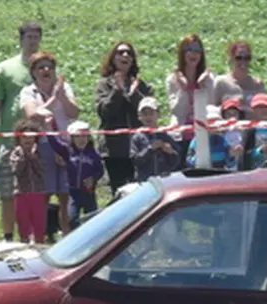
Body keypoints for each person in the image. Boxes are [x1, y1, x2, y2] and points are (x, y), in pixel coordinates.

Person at [0, 20, 42, 241]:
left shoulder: (46, 67)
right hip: (9, 141)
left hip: (38, 142)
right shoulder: (5, 69)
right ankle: (8, 237)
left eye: (36, 37)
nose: (33, 41)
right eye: (28, 37)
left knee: (35, 193)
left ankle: (34, 236)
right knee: (8, 193)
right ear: (20, 40)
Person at [19, 51, 80, 237]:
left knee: (65, 194)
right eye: (41, 67)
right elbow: (33, 116)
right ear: (34, 72)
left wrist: (61, 97)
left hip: (64, 145)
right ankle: (39, 235)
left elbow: (74, 113)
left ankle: (67, 234)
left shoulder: (65, 88)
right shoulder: (28, 91)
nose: (46, 70)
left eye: (49, 67)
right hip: (43, 146)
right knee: (43, 195)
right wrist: (53, 98)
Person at [94, 41, 153, 197]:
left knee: (141, 191)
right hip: (114, 150)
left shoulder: (141, 85)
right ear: (113, 59)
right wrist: (117, 91)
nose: (125, 55)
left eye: (129, 53)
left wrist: (134, 94)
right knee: (119, 192)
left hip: (140, 148)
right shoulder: (103, 85)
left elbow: (149, 111)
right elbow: (105, 112)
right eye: (120, 52)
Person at [166, 34, 215, 157]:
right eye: (189, 50)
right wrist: (183, 89)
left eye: (197, 50)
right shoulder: (173, 79)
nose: (194, 54)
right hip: (180, 136)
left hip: (203, 135)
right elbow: (177, 112)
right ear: (182, 53)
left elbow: (211, 108)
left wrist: (202, 88)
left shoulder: (208, 79)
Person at [9, 120, 48, 244]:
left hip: (38, 192)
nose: (28, 141)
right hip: (21, 193)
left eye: (31, 138)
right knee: (23, 222)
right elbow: (17, 170)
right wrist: (24, 156)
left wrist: (33, 157)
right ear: (19, 138)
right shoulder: (16, 153)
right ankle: (24, 243)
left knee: (39, 222)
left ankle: (40, 242)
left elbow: (42, 170)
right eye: (25, 137)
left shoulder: (40, 153)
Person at [60, 121, 103, 227]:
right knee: (72, 218)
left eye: (84, 136)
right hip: (73, 192)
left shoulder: (93, 154)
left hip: (89, 192)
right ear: (72, 138)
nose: (81, 139)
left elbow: (100, 170)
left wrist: (93, 178)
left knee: (92, 218)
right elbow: (56, 145)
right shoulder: (69, 152)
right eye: (78, 137)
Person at [213, 41, 267, 117]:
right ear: (231, 58)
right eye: (239, 58)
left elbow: (266, 113)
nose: (243, 61)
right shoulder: (221, 82)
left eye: (247, 58)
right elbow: (211, 110)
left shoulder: (258, 85)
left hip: (255, 128)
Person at [131, 97, 180, 181]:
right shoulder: (137, 137)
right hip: (144, 180)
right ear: (139, 116)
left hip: (164, 179)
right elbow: (135, 161)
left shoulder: (165, 135)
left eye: (151, 113)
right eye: (145, 114)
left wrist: (171, 152)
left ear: (158, 114)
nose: (148, 117)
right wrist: (150, 149)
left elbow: (176, 161)